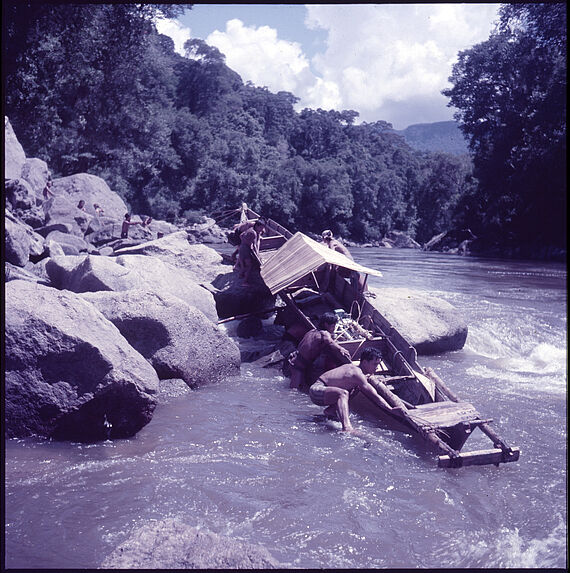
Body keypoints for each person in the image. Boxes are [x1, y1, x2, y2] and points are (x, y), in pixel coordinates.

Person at [308, 346, 394, 433]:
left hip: (323, 392)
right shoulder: (357, 373)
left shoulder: (357, 371)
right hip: (316, 390)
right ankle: (346, 427)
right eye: (375, 364)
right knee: (343, 394)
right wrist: (390, 409)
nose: (377, 367)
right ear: (364, 362)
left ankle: (331, 411)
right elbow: (374, 395)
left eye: (378, 364)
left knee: (355, 389)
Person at [289, 312, 352, 390]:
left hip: (294, 358)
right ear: (326, 324)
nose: (334, 328)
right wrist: (340, 348)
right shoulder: (325, 333)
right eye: (333, 326)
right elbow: (329, 341)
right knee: (294, 390)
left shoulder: (312, 331)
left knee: (300, 387)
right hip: (298, 365)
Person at [321, 229, 368, 296]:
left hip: (348, 261)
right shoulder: (333, 242)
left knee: (335, 272)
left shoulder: (332, 243)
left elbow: (332, 255)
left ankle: (334, 290)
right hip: (346, 261)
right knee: (337, 271)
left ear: (324, 238)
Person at [237, 219, 266, 286]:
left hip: (242, 248)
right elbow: (255, 245)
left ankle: (241, 275)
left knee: (243, 263)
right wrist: (257, 255)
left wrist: (245, 242)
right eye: (261, 227)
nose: (262, 229)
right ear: (257, 226)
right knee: (249, 266)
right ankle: (245, 282)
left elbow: (241, 235)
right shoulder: (254, 233)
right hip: (246, 250)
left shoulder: (249, 229)